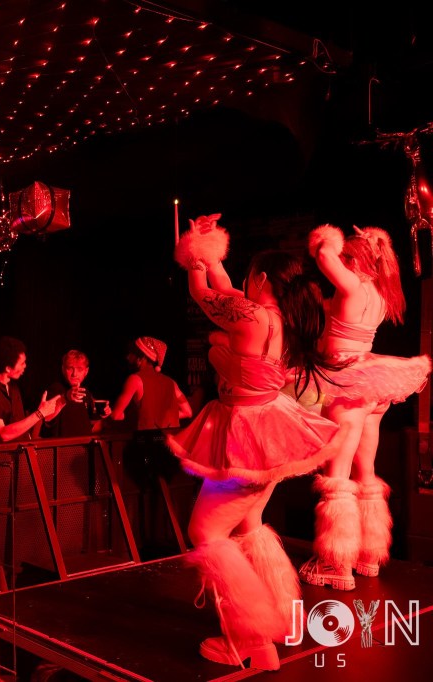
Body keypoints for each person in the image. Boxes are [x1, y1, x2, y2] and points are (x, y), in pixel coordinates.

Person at [167, 215, 345, 670]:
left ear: (261, 279)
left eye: (248, 275)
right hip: (271, 432)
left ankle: (249, 640)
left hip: (246, 437)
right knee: (249, 526)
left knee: (205, 533)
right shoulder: (277, 319)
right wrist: (209, 249)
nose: (242, 281)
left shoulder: (249, 316)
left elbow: (202, 292)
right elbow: (226, 289)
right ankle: (279, 617)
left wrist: (194, 252)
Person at [299, 225, 432, 590]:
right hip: (370, 387)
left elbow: (322, 254)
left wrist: (328, 238)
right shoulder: (379, 294)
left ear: (356, 261)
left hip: (346, 384)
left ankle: (335, 563)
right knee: (365, 470)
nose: (341, 261)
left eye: (347, 257)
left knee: (338, 474)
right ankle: (368, 553)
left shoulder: (354, 286)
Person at [110, 337, 193, 555]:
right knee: (162, 492)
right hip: (168, 447)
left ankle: (144, 543)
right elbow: (187, 412)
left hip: (145, 446)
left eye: (133, 354)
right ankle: (163, 541)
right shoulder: (170, 382)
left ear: (142, 358)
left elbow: (117, 415)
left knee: (142, 492)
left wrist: (135, 416)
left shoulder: (135, 379)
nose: (129, 358)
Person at [0, 336, 59, 442]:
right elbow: (3, 434)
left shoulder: (14, 387)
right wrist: (39, 413)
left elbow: (25, 427)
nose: (25, 366)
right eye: (22, 363)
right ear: (8, 368)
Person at [40, 350, 109, 438]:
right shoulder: (55, 389)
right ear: (63, 369)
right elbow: (46, 418)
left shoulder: (85, 392)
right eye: (70, 368)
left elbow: (91, 423)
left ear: (86, 371)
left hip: (84, 444)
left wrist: (103, 413)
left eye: (79, 369)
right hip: (63, 445)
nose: (74, 374)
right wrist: (65, 398)